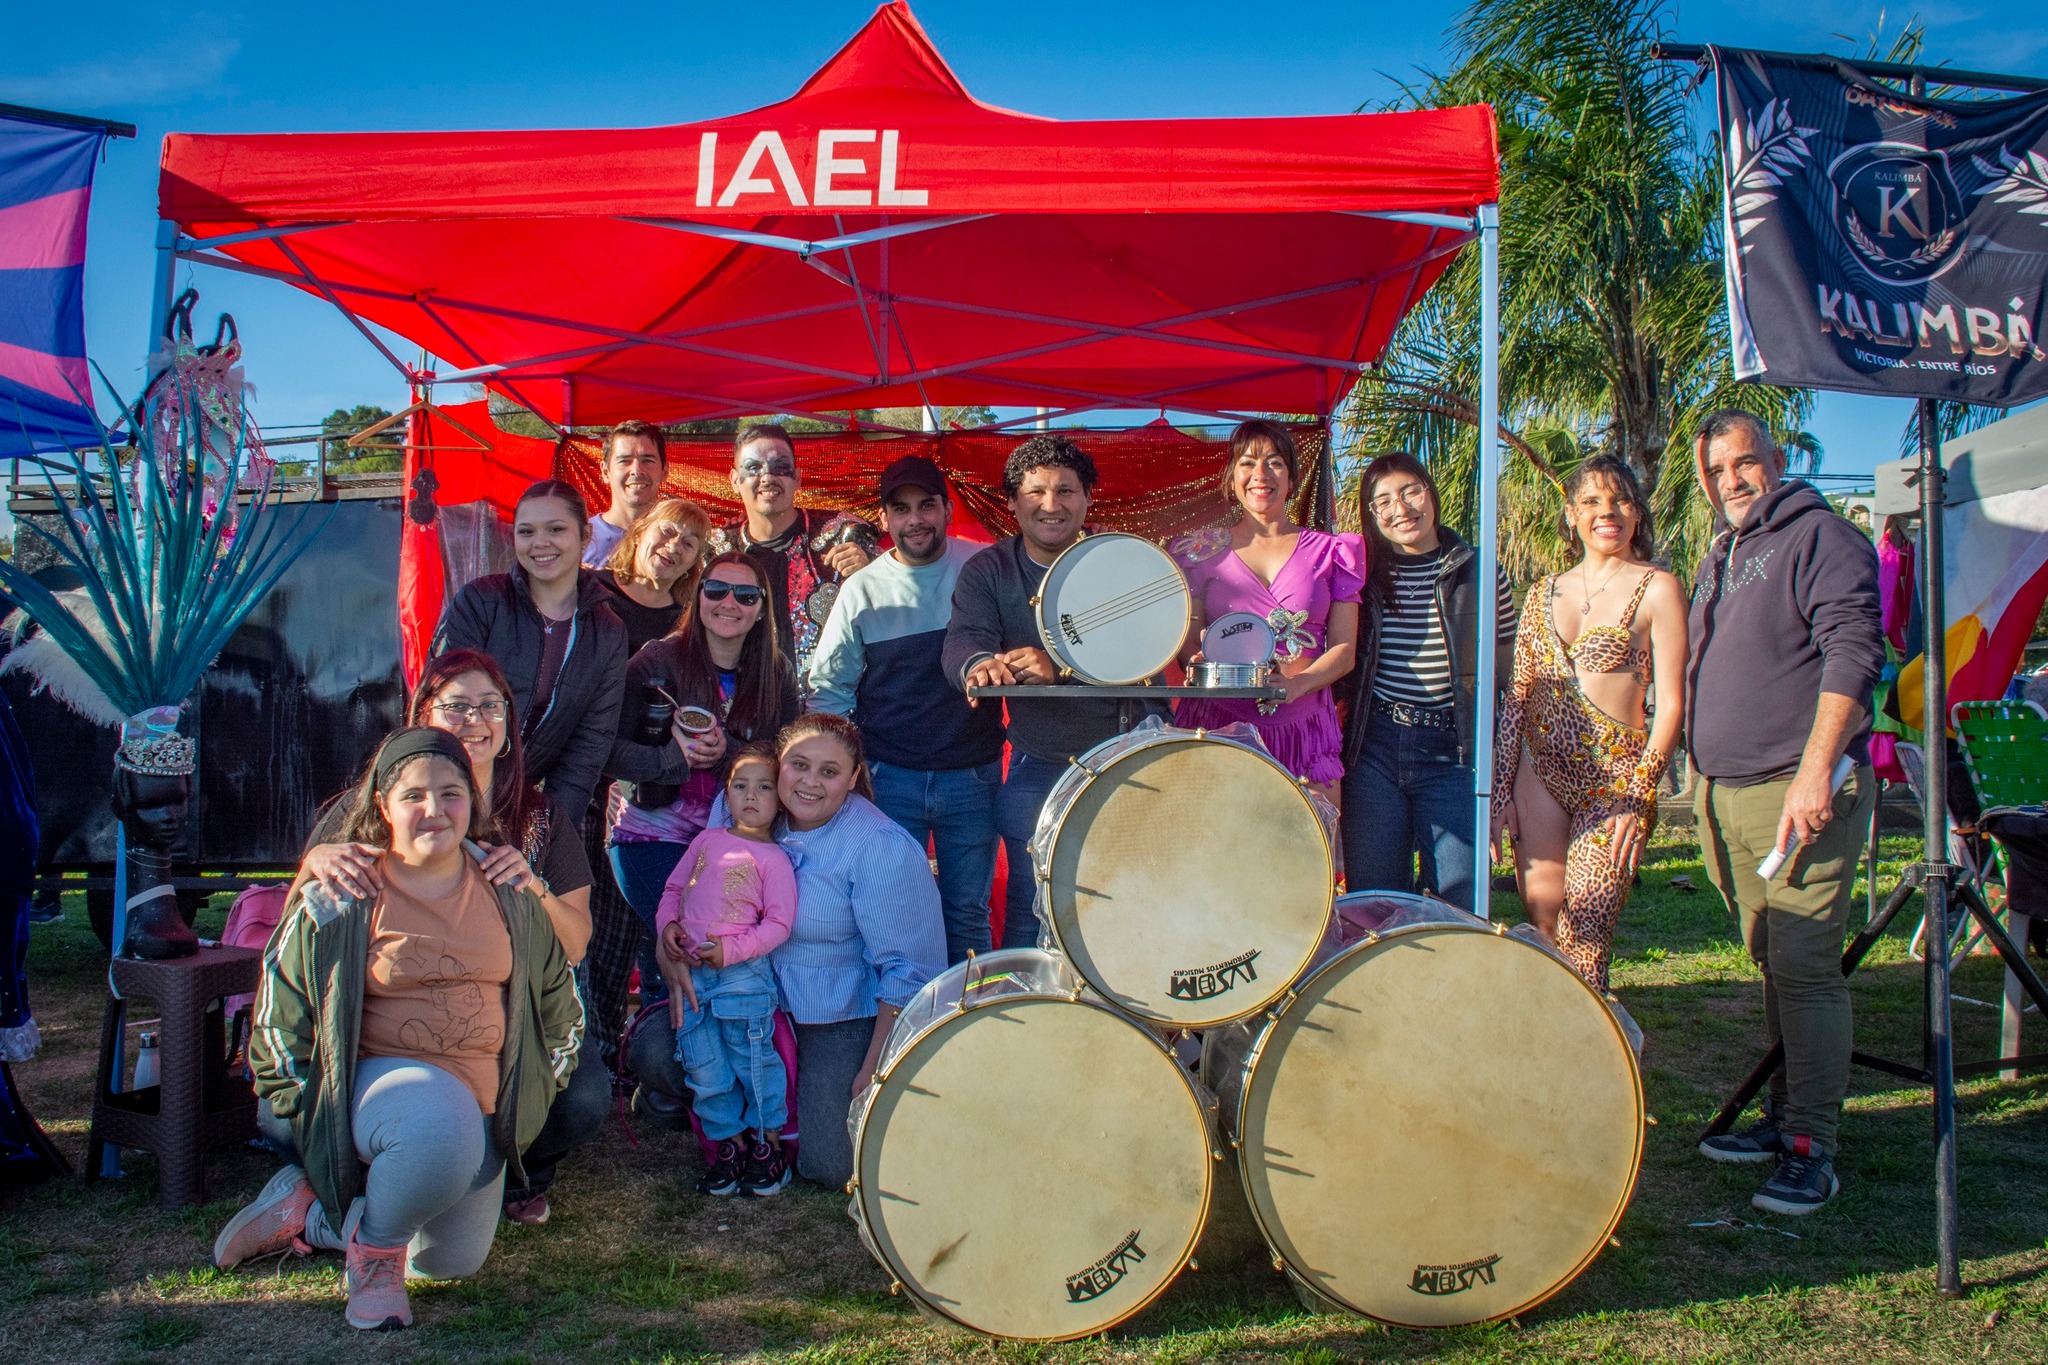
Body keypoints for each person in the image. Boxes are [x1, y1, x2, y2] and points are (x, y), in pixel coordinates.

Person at [212, 728, 583, 1332]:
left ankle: (307, 1215)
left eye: (451, 793)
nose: (434, 809)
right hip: (376, 1096)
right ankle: (377, 1258)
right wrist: (306, 1109)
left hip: (482, 1113)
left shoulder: (509, 890)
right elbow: (279, 1008)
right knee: (438, 1125)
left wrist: (539, 1088)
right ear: (383, 806)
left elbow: (560, 1003)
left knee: (449, 1263)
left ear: (472, 802)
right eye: (414, 796)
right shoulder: (346, 890)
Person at [289, 652, 606, 1227]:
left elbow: (576, 943)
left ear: (508, 723)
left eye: (490, 706)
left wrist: (532, 887)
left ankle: (511, 1173)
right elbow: (303, 919)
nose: (474, 720)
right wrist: (315, 861)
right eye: (456, 706)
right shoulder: (368, 805)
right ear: (423, 716)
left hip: (507, 1027)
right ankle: (369, 1176)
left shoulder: (540, 818)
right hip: (391, 1047)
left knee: (582, 1096)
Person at [1686, 410, 1882, 1218]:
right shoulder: (1721, 554)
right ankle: (1785, 1113)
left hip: (1794, 790)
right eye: (1716, 470)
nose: (1731, 480)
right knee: (1773, 961)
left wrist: (1813, 773)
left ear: (1776, 457)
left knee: (1804, 968)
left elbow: (1854, 652)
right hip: (1725, 794)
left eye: (1744, 462)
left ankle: (1811, 1146)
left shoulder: (1822, 537)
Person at [629, 713, 944, 1190]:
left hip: (833, 1015)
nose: (810, 782)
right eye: (799, 765)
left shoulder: (879, 846)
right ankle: (730, 1124)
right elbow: (694, 887)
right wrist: (666, 945)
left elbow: (909, 971)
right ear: (779, 765)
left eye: (829, 771)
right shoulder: (744, 807)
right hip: (738, 993)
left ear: (853, 778)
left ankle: (782, 1117)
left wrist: (875, 1068)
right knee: (654, 1049)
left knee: (831, 1166)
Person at [943, 435, 1170, 949]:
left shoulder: (1124, 563)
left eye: (1065, 490)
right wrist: (980, 665)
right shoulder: (990, 570)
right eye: (1036, 492)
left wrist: (1062, 667)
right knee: (1032, 918)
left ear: (1088, 498)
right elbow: (964, 640)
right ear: (1011, 503)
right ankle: (1033, 1000)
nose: (1051, 504)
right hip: (1040, 765)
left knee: (1129, 915)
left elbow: (1142, 652)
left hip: (1131, 759)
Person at [1489, 456, 1688, 992]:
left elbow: (1672, 704)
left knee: (1589, 926)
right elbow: (1517, 699)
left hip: (1616, 782)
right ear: (1572, 514)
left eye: (1621, 501)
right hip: (1540, 774)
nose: (1608, 513)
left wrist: (1639, 794)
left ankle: (1592, 1035)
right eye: (1593, 502)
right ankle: (1552, 1030)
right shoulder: (1542, 592)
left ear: (1637, 514)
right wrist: (1501, 792)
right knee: (1546, 922)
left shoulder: (1658, 587)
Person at [807, 455, 1004, 963]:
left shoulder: (983, 567)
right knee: (894, 913)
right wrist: (843, 769)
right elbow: (830, 688)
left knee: (967, 913)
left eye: (926, 506)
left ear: (946, 509)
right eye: (901, 509)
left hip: (971, 777)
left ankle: (970, 1011)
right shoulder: (861, 589)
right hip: (890, 779)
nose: (915, 519)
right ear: (885, 518)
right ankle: (903, 1012)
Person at [605, 553, 800, 1047]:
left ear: (762, 608)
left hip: (736, 842)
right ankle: (663, 1067)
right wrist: (672, 759)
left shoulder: (775, 672)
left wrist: (727, 754)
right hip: (653, 835)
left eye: (746, 595)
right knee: (677, 952)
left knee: (721, 958)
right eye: (716, 590)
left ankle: (718, 1066)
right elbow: (605, 746)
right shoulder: (657, 660)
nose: (729, 603)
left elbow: (785, 759)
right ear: (698, 597)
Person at [1337, 452, 1516, 911]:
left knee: (1458, 899)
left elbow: (1507, 672)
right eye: (1383, 502)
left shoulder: (1480, 572)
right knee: (1375, 900)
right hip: (1375, 748)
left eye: (1410, 491)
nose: (1400, 509)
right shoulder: (1362, 577)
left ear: (1430, 494)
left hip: (1453, 752)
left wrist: (1503, 763)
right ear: (1372, 515)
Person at [1171, 420, 1363, 806]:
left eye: (1274, 462)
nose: (1261, 474)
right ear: (1231, 479)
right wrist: (1195, 658)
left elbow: (1344, 651)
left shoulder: (1333, 552)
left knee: (1310, 841)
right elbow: (1188, 640)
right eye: (1247, 462)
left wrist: (1297, 685)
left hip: (1304, 731)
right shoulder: (1197, 552)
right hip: (1217, 726)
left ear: (1292, 479)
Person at [433, 479, 628, 827]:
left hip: (519, 806)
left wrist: (549, 836)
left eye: (555, 529)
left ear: (585, 536)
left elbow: (586, 749)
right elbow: (443, 707)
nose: (540, 543)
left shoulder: (608, 632)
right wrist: (452, 802)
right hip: (447, 789)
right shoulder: (482, 601)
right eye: (526, 532)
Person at [654, 744, 797, 1197]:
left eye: (764, 787)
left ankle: (768, 1145)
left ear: (780, 800)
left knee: (752, 1060)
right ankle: (729, 1146)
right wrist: (668, 927)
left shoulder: (774, 859)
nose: (750, 796)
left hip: (742, 976)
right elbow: (673, 889)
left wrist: (731, 950)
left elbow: (779, 924)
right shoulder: (706, 841)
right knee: (703, 1064)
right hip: (692, 974)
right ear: (726, 794)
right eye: (740, 786)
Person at [708, 423, 876, 681]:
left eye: (780, 467)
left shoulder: (842, 534)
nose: (767, 477)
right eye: (753, 468)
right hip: (739, 699)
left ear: (797, 478)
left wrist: (872, 573)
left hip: (834, 700)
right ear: (734, 480)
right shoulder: (714, 551)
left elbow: (901, 597)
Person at [593, 498, 710, 655]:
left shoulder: (686, 622)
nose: (674, 547)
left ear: (692, 563)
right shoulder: (591, 587)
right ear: (639, 533)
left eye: (688, 544)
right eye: (667, 531)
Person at [584, 420, 671, 569]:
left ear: (665, 471)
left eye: (647, 460)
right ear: (605, 471)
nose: (636, 470)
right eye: (624, 461)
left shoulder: (679, 540)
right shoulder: (580, 538)